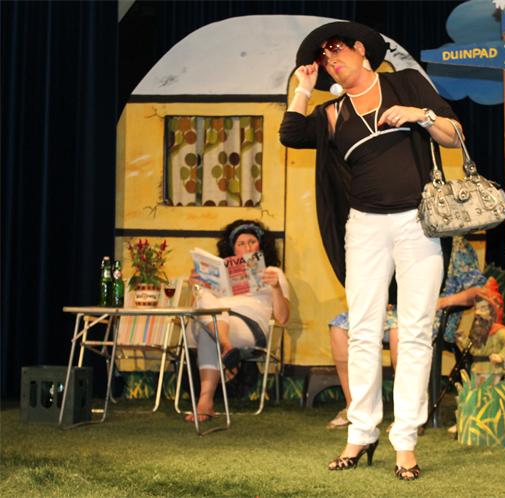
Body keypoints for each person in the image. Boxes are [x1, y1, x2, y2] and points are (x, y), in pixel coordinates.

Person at [280, 21, 463, 480]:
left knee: (415, 330)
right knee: (363, 330)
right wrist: (303, 87)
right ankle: (361, 433)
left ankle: (406, 442)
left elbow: (454, 134)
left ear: (361, 50)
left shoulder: (405, 83)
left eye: (337, 51)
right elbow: (291, 132)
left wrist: (419, 115)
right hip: (364, 227)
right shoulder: (332, 111)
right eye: (324, 60)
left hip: (418, 223)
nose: (331, 62)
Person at [326, 237, 487, 430]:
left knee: (400, 332)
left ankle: (407, 416)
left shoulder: (456, 245)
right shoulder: (402, 237)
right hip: (396, 309)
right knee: (340, 327)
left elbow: (480, 291)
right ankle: (354, 408)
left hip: (434, 312)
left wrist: (443, 302)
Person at [188, 219, 290, 423]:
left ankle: (205, 402)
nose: (247, 247)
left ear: (261, 245)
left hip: (249, 326)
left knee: (208, 329)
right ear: (232, 249)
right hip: (216, 322)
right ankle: (226, 346)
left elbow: (283, 318)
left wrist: (276, 287)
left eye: (251, 242)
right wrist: (196, 287)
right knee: (205, 300)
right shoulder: (218, 275)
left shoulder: (273, 273)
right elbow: (195, 309)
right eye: (241, 243)